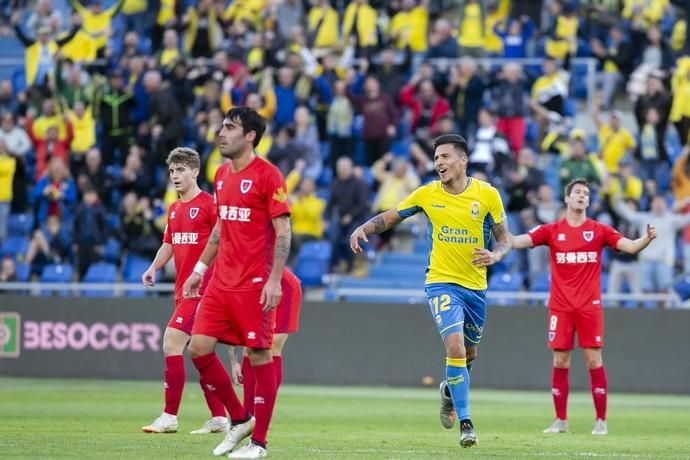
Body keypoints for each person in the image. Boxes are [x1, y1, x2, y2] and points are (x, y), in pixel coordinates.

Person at [349, 134, 511, 448]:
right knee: (455, 347)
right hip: (441, 281)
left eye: (445, 157)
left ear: (462, 160)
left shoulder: (488, 195)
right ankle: (466, 423)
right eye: (436, 158)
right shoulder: (427, 194)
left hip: (475, 286)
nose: (439, 163)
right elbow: (390, 217)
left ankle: (449, 392)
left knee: (469, 354)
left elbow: (504, 237)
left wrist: (497, 255)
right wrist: (363, 228)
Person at [182, 107, 291, 459]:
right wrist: (199, 269)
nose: (220, 133)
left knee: (260, 354)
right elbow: (219, 229)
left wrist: (275, 280)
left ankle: (259, 443)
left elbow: (283, 231)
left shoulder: (269, 175)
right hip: (220, 283)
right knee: (198, 347)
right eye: (221, 127)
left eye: (229, 128)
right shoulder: (221, 174)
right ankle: (240, 417)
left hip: (254, 282)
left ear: (250, 136)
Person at [510, 178, 656, 435]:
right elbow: (517, 240)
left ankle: (601, 421)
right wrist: (499, 234)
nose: (581, 196)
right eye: (577, 192)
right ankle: (561, 421)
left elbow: (630, 246)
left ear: (588, 201)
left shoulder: (599, 230)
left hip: (589, 306)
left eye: (586, 194)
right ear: (567, 199)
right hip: (560, 307)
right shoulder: (551, 230)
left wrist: (646, 238)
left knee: (593, 359)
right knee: (560, 360)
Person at [140, 147, 227, 434]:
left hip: (203, 292)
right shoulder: (174, 209)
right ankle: (220, 417)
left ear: (195, 172)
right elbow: (169, 243)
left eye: (180, 170)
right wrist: (154, 267)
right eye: (172, 171)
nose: (175, 176)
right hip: (182, 292)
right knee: (202, 355)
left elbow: (223, 242)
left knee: (171, 343)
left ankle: (169, 416)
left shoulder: (209, 205)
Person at [229, 268, 302, 416]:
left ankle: (262, 415)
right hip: (254, 287)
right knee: (250, 347)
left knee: (272, 345)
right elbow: (234, 322)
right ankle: (248, 415)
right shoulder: (226, 279)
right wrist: (234, 362)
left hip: (283, 286)